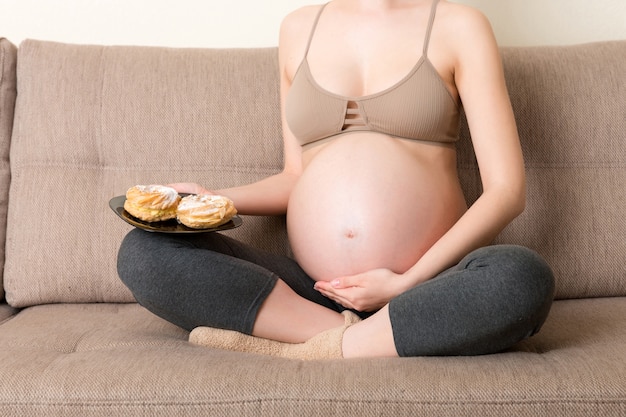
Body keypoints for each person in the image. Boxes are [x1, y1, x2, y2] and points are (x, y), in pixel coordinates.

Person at [117, 0, 555, 359]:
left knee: (521, 276)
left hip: (427, 289)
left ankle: (316, 348)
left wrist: (407, 282)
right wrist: (214, 199)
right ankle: (349, 340)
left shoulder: (460, 24)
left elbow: (506, 192)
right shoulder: (298, 28)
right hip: (313, 292)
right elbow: (296, 178)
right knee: (145, 249)